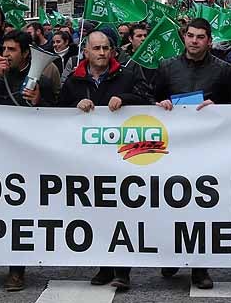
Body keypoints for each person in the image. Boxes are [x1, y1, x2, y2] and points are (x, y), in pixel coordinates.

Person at [57, 30, 150, 292]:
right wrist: (76, 103)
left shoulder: (127, 76)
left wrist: (125, 99)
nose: (101, 53)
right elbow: (57, 108)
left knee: (123, 212)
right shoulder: (74, 81)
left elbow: (146, 99)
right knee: (97, 211)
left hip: (122, 158)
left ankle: (123, 271)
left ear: (112, 51)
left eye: (105, 48)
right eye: (96, 48)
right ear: (85, 52)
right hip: (88, 159)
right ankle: (104, 266)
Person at [153, 18, 231, 290]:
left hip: (208, 150)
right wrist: (158, 104)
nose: (194, 41)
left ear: (209, 40)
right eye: (190, 35)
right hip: (172, 150)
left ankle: (200, 267)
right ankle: (172, 254)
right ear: (184, 38)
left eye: (200, 37)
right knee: (171, 204)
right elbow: (149, 98)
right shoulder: (166, 67)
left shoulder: (224, 70)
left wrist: (219, 105)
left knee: (202, 209)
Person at [0, 31, 47, 292]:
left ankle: (18, 269)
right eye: (4, 49)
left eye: (12, 50)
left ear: (26, 53)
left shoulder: (44, 75)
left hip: (30, 155)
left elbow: (60, 111)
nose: (6, 54)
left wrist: (41, 102)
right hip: (0, 153)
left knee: (23, 212)